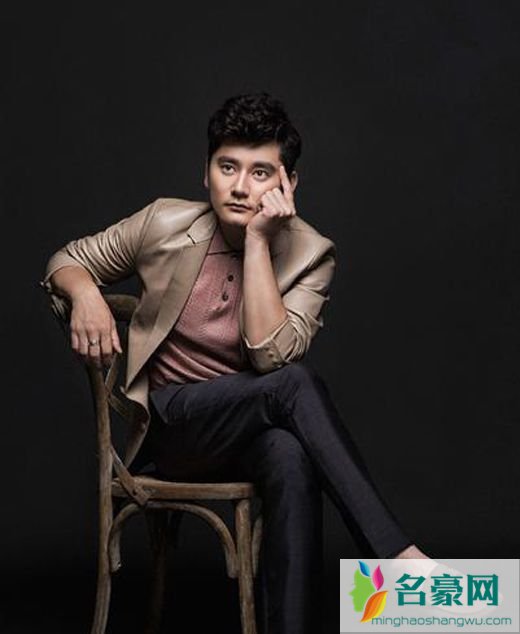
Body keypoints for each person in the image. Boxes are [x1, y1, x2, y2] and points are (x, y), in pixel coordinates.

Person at [41, 93, 436, 634]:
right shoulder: (163, 222)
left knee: (291, 454)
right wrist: (86, 293)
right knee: (294, 387)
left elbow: (268, 356)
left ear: (288, 184)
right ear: (206, 172)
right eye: (227, 167)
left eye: (260, 173)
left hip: (244, 432)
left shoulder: (311, 254)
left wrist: (257, 244)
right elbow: (66, 260)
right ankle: (399, 558)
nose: (241, 186)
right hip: (171, 427)